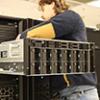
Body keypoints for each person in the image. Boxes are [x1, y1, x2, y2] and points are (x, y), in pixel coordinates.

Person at [17, 0, 99, 99]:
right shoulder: (60, 30)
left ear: (52, 4)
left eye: (43, 9)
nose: (42, 15)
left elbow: (36, 33)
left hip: (80, 93)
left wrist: (21, 36)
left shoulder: (70, 17)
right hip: (67, 93)